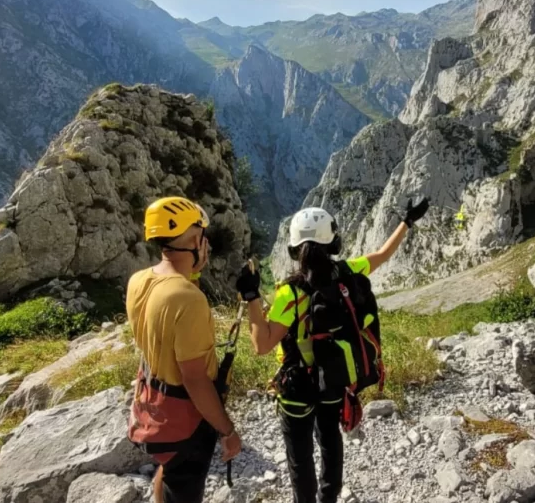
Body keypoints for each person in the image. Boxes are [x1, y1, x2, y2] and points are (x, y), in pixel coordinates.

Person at [237, 198, 429, 503]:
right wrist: (407, 220)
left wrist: (252, 299)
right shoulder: (347, 272)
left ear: (295, 248)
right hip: (332, 379)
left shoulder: (289, 293)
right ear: (333, 242)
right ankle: (329, 497)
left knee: (300, 457)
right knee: (329, 442)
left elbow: (261, 345)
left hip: (296, 385)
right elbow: (382, 255)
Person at [127, 196, 242, 503]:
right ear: (195, 239)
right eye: (201, 236)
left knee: (168, 472)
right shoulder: (188, 298)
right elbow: (195, 379)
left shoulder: (139, 281)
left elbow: (166, 315)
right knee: (184, 489)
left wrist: (192, 273)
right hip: (183, 422)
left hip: (149, 406)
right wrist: (227, 430)